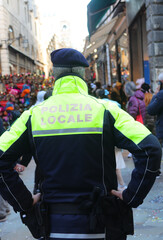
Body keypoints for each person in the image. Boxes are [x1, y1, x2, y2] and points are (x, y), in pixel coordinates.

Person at [0, 48, 161, 240]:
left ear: (54, 76)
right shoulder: (106, 109)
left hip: (52, 222)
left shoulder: (33, 115)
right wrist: (132, 195)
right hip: (103, 221)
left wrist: (24, 202)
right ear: (83, 75)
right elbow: (150, 148)